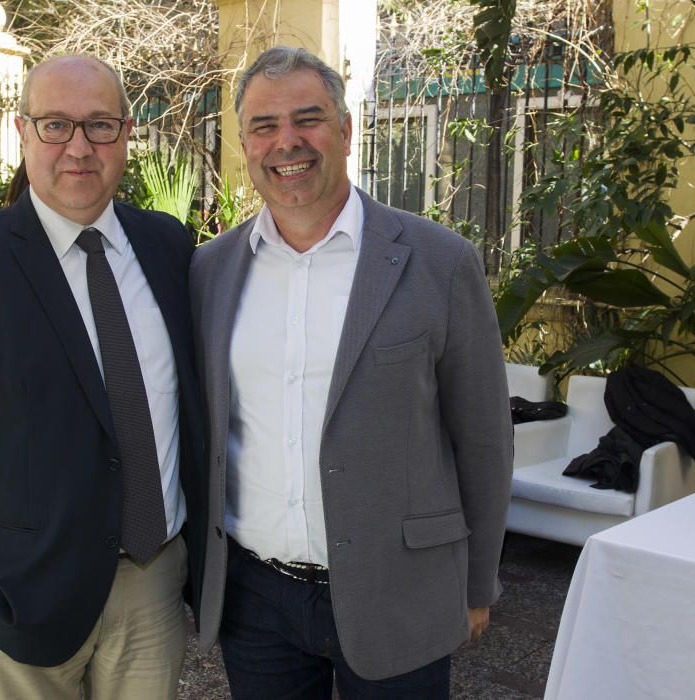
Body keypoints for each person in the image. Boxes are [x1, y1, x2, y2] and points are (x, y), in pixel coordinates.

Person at [190, 47, 513, 698]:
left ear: (344, 129)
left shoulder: (438, 262)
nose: (287, 142)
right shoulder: (210, 270)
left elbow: (482, 437)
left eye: (307, 119)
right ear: (244, 143)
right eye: (263, 125)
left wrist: (477, 581)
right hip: (254, 601)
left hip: (399, 589)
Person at [0, 54, 205, 699]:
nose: (79, 147)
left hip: (152, 585)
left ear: (128, 132)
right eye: (56, 125)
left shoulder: (169, 245)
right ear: (24, 133)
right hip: (18, 595)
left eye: (99, 125)